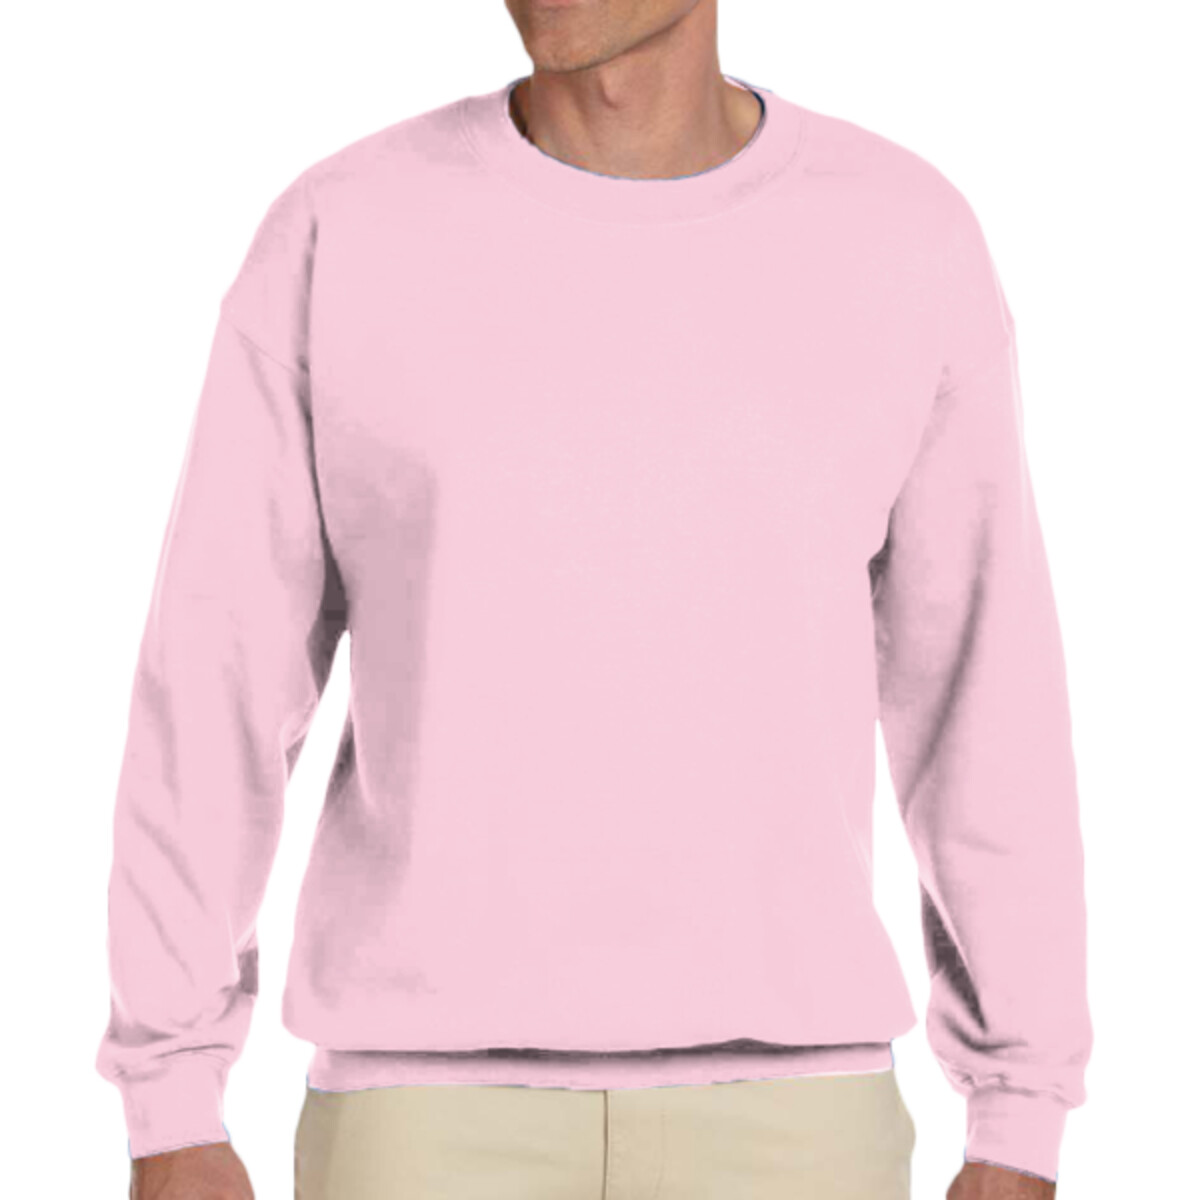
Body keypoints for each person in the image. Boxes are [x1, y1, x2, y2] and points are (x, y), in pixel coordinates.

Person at [96, 2, 1093, 1198]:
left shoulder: (903, 240)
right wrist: (169, 1096)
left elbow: (984, 701)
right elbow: (212, 681)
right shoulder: (342, 231)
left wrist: (1020, 1111)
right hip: (419, 1125)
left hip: (797, 1125)